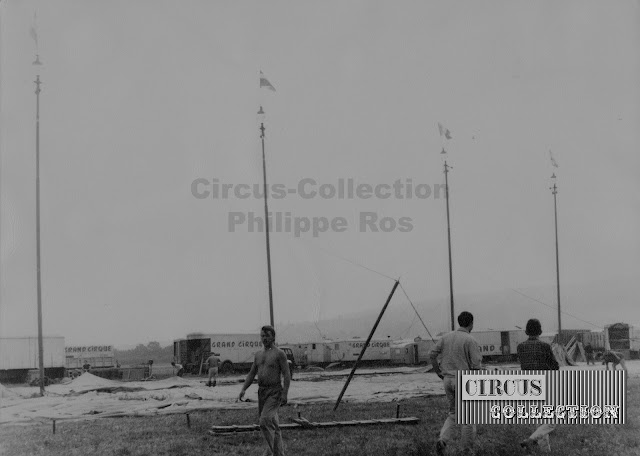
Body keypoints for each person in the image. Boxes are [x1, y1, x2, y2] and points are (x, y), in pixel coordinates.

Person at [429, 311, 483, 456]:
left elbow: (432, 355)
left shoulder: (445, 337)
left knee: (453, 413)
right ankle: (466, 450)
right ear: (471, 323)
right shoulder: (470, 340)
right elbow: (476, 365)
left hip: (447, 379)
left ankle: (443, 440)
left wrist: (438, 372)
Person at [239, 325, 291, 456]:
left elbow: (286, 374)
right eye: (262, 336)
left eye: (267, 335)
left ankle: (272, 453)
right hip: (262, 392)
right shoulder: (258, 354)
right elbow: (251, 374)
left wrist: (285, 393)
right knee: (274, 424)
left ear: (273, 337)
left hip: (275, 392)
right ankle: (278, 453)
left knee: (264, 421)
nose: (264, 338)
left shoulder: (279, 354)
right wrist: (244, 388)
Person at [517, 319, 559, 454]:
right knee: (551, 422)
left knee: (539, 422)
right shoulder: (545, 346)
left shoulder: (520, 347)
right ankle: (530, 440)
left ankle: (545, 452)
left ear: (527, 331)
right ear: (540, 331)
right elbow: (555, 366)